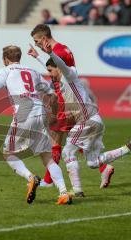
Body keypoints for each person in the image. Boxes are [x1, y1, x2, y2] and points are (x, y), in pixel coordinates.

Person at [0, 45, 72, 205]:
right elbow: (52, 95)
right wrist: (52, 115)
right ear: (19, 57)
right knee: (47, 157)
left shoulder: (5, 71)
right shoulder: (33, 71)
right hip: (40, 113)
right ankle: (64, 193)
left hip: (24, 114)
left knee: (7, 153)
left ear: (5, 59)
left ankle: (30, 178)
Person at [30, 24, 114, 191]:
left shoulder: (58, 52)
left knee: (57, 140)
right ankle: (104, 167)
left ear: (44, 39)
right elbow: (56, 69)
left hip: (66, 102)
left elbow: (59, 72)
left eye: (37, 41)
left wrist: (47, 55)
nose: (37, 44)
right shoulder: (64, 48)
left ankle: (52, 181)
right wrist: (39, 57)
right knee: (73, 140)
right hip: (71, 101)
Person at [40, 40, 131, 174]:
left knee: (67, 152)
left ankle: (72, 190)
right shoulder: (62, 77)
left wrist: (50, 53)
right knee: (92, 163)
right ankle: (127, 149)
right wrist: (38, 56)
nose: (49, 74)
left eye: (51, 70)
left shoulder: (69, 74)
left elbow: (57, 65)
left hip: (87, 120)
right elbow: (52, 67)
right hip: (90, 120)